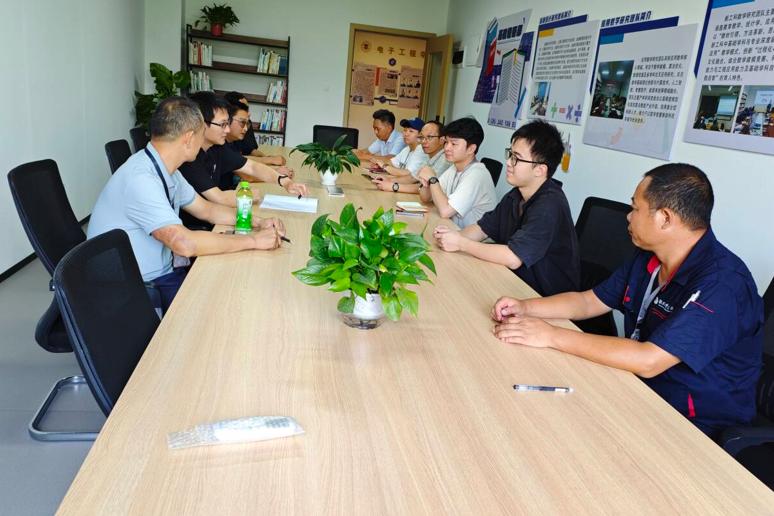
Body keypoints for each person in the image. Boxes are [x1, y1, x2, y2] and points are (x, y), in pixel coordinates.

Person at [491, 163, 763, 438]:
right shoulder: (650, 256)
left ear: (665, 218)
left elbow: (649, 360)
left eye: (635, 208)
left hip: (691, 423)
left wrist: (550, 335)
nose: (629, 217)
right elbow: (588, 302)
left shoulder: (722, 285)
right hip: (634, 386)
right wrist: (526, 307)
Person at [87, 97, 286, 312]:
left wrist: (258, 222)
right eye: (201, 133)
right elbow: (184, 243)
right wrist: (253, 241)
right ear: (189, 138)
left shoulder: (166, 169)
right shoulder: (141, 179)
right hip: (135, 288)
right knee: (226, 305)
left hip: (160, 273)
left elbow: (207, 210)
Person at [434, 120, 580, 296]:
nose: (509, 162)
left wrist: (461, 243)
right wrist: (451, 238)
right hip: (512, 280)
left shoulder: (549, 205)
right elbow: (483, 228)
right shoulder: (516, 194)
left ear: (540, 170)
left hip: (543, 295)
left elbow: (513, 257)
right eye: (510, 154)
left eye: (516, 158)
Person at [416, 117, 496, 228]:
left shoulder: (477, 174)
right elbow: (426, 198)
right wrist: (426, 181)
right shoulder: (454, 168)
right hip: (453, 230)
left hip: (470, 237)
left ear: (471, 149)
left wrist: (432, 179)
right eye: (446, 142)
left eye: (453, 144)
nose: (447, 148)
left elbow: (445, 211)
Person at [374, 120, 450, 194]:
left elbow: (427, 188)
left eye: (429, 137)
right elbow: (412, 177)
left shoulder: (445, 160)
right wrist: (389, 180)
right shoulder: (429, 156)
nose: (423, 141)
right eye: (422, 137)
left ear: (442, 140)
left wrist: (394, 186)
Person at [223, 90, 286, 166]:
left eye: (247, 108)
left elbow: (250, 150)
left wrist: (267, 159)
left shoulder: (245, 125)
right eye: (243, 107)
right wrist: (269, 160)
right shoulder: (220, 141)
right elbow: (235, 159)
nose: (248, 113)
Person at [370, 117, 427, 193]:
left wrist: (384, 166)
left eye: (411, 131)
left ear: (421, 135)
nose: (406, 134)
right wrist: (380, 166)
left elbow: (408, 173)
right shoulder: (407, 149)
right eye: (405, 130)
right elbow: (392, 162)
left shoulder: (421, 151)